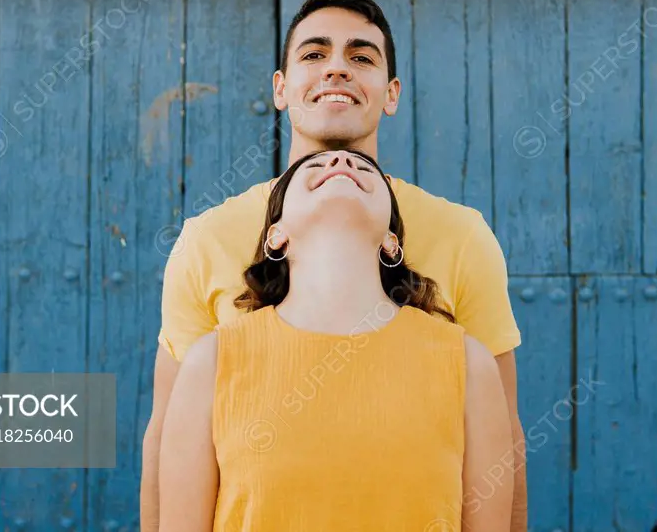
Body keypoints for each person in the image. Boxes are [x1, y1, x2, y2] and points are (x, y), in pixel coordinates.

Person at [141, 0, 527, 530]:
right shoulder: (205, 240)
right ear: (281, 88)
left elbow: (501, 436)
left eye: (362, 57)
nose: (337, 70)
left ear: (390, 93)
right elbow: (165, 436)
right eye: (314, 54)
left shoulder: (463, 236)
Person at [157, 148, 514, 531]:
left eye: (362, 168)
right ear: (276, 236)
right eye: (315, 167)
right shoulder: (211, 362)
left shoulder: (467, 363)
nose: (341, 163)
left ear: (392, 241)